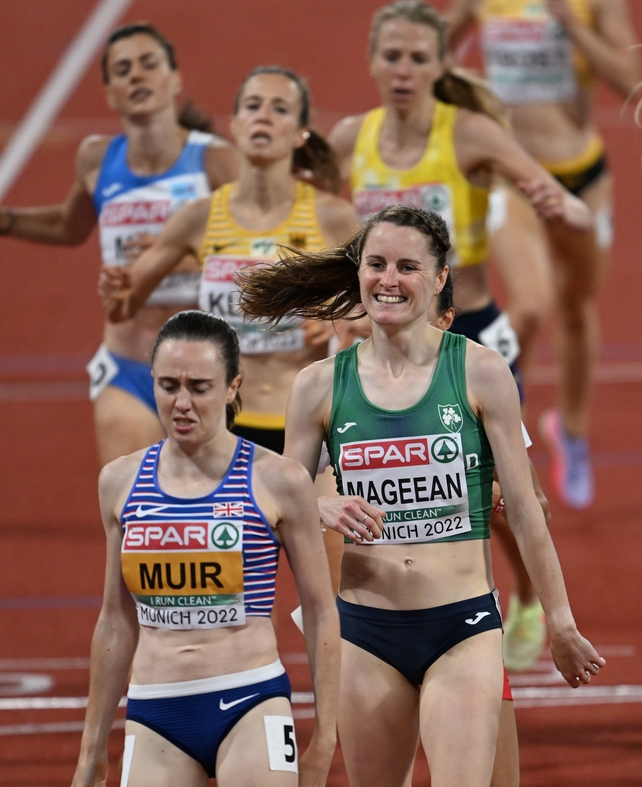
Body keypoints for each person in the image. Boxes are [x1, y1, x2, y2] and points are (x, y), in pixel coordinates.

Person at [237, 204, 605, 787]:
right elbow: (277, 505)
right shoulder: (316, 387)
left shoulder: (481, 372)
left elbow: (527, 513)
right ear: (358, 272)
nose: (388, 279)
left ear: (438, 279)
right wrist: (319, 503)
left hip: (461, 627)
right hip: (364, 632)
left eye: (407, 266)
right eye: (376, 264)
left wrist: (559, 621)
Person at [327, 0, 592, 673]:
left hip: (469, 334)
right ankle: (394, 623)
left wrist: (562, 204)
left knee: (510, 493)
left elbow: (544, 186)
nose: (405, 69)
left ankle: (529, 593)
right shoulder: (350, 139)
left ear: (444, 63)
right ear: (371, 62)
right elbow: (316, 214)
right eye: (393, 56)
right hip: (384, 337)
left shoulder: (468, 133)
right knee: (395, 481)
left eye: (420, 57)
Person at [99, 65, 360, 587]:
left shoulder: (332, 218)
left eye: (279, 108)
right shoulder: (199, 217)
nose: (264, 116)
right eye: (253, 106)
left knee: (338, 597)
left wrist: (338, 323)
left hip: (306, 429)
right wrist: (116, 291)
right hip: (223, 432)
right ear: (234, 126)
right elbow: (126, 305)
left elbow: (380, 310)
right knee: (219, 590)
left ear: (300, 132)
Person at [70, 310, 340, 787]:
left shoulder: (279, 480)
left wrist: (325, 737)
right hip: (155, 710)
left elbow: (320, 610)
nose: (182, 403)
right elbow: (115, 618)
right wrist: (91, 749)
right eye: (169, 385)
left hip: (251, 701)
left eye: (200, 387)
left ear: (233, 387)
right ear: (151, 381)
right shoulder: (119, 482)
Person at [0, 22, 238, 467]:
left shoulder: (216, 161)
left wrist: (170, 258)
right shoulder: (97, 158)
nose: (137, 76)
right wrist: (8, 220)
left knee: (207, 520)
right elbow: (70, 226)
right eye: (123, 70)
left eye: (149, 65)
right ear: (110, 94)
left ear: (175, 79)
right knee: (136, 514)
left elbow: (255, 249)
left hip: (205, 366)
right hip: (129, 365)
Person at [445, 0, 641, 509]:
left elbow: (630, 79)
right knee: (531, 304)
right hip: (515, 177)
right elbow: (429, 45)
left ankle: (571, 432)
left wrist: (572, 23)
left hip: (582, 176)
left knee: (577, 305)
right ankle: (506, 421)